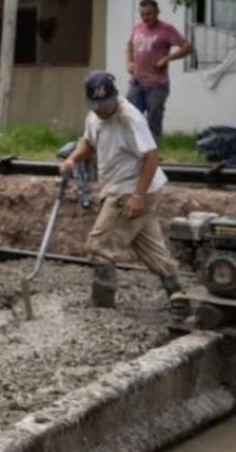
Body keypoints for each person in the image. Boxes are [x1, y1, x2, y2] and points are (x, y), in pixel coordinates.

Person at [60, 71, 186, 315]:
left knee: (99, 246)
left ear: (115, 96)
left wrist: (138, 196)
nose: (101, 110)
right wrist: (72, 160)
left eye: (105, 105)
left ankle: (102, 307)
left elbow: (151, 156)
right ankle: (179, 294)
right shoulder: (94, 116)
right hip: (126, 188)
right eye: (96, 105)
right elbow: (89, 142)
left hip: (131, 190)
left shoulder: (130, 120)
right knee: (149, 246)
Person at [126, 0, 194, 139]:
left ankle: (153, 148)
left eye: (149, 14)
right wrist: (129, 62)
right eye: (143, 14)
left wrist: (167, 58)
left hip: (156, 85)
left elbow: (188, 47)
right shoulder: (137, 28)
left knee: (153, 120)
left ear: (157, 12)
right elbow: (129, 45)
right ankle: (135, 148)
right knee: (131, 117)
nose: (146, 17)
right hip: (137, 82)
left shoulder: (167, 30)